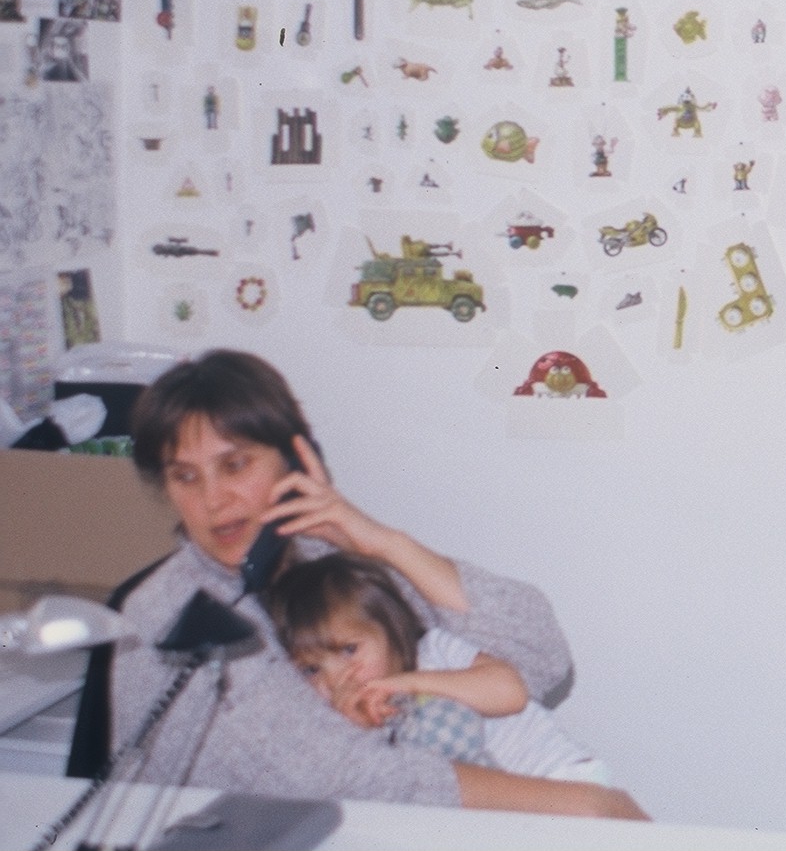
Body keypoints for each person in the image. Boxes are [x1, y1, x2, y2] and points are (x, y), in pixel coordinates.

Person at [110, 349, 645, 818]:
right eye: (185, 476)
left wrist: (381, 543)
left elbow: (537, 654)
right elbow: (341, 777)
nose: (213, 500)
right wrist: (587, 806)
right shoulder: (168, 615)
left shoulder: (320, 556)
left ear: (297, 461)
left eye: (235, 465)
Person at [266, 553, 614, 788]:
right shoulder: (340, 719)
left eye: (349, 650)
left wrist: (408, 683)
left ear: (390, 628)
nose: (336, 678)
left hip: (560, 776)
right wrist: (359, 730)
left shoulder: (434, 652)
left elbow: (511, 694)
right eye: (311, 669)